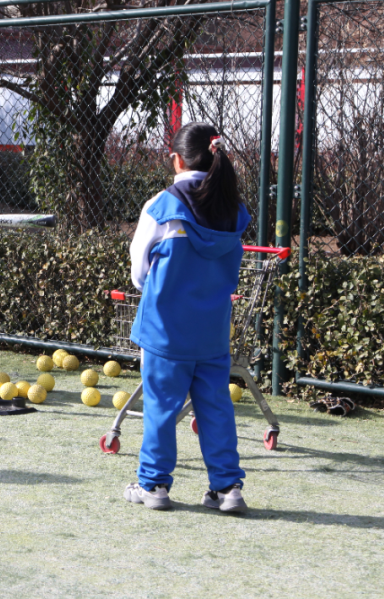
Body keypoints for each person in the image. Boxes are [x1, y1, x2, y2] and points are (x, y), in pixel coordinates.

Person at [123, 122, 251, 512]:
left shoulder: (161, 205)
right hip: (212, 333)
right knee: (216, 409)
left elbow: (139, 271)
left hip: (165, 331)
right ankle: (227, 489)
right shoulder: (234, 209)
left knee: (161, 408)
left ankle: (154, 486)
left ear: (176, 159)